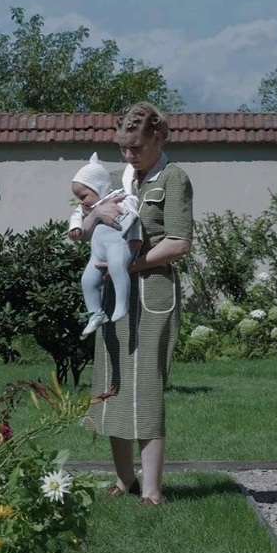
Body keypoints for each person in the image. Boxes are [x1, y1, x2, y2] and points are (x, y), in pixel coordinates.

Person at [71, 101, 193, 505]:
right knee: (114, 382)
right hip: (114, 293)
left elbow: (179, 243)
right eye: (122, 148)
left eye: (135, 147)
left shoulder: (174, 179)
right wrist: (93, 219)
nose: (128, 155)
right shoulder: (115, 181)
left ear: (158, 137)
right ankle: (125, 479)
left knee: (147, 386)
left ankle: (153, 489)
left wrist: (131, 264)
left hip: (153, 291)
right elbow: (84, 229)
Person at [68, 152, 142, 337]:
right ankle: (96, 314)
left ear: (99, 187)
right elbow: (76, 216)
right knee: (87, 280)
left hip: (119, 244)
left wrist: (135, 237)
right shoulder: (86, 209)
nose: (81, 201)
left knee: (117, 266)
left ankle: (122, 304)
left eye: (83, 196)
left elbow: (134, 217)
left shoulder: (121, 197)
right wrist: (75, 228)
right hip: (98, 251)